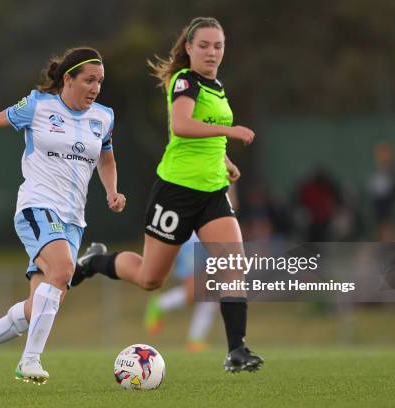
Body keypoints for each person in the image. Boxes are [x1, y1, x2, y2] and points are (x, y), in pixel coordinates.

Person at [73, 17, 263, 372]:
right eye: (203, 45)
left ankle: (236, 351)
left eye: (218, 46)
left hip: (212, 193)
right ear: (189, 48)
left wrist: (224, 159)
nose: (211, 52)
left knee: (234, 266)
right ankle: (95, 261)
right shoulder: (185, 81)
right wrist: (233, 130)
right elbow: (183, 126)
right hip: (175, 192)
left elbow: (208, 129)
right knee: (150, 279)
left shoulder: (217, 85)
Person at [0, 47, 125, 386]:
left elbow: (106, 157)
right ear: (68, 79)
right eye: (89, 80)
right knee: (63, 270)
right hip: (37, 206)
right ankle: (29, 360)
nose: (95, 88)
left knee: (41, 305)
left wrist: (111, 191)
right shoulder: (38, 106)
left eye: (100, 82)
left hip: (73, 221)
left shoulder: (103, 117)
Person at [143, 232, 218, 352]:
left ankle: (195, 341)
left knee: (210, 298)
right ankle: (159, 304)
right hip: (193, 242)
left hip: (207, 242)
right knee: (193, 292)